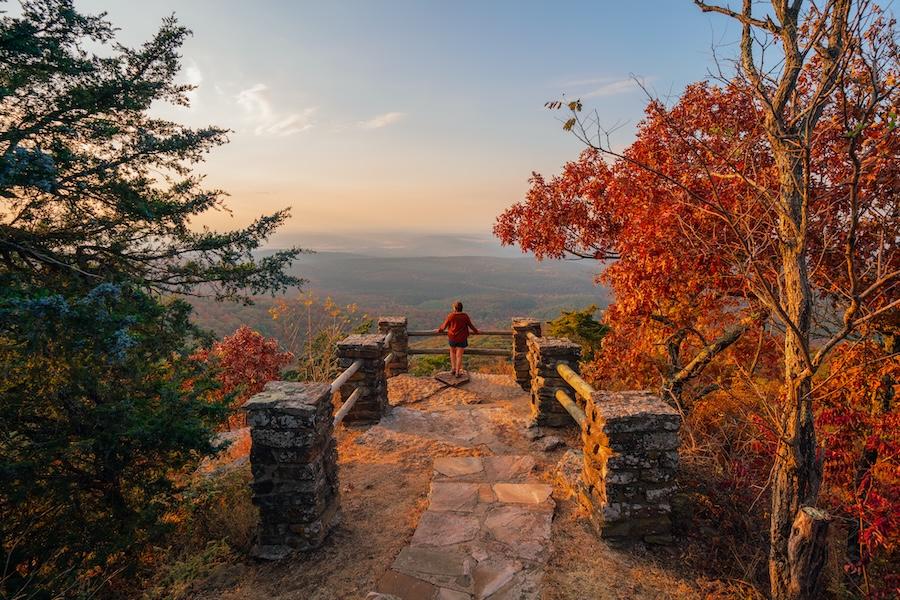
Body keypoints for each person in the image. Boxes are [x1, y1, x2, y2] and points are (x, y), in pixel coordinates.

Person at [436, 300, 479, 377]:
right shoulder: (465, 316)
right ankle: (457, 372)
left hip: (452, 337)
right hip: (462, 338)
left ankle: (453, 369)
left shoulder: (451, 316)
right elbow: (471, 326)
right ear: (461, 308)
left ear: (455, 308)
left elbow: (443, 326)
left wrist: (439, 330)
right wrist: (477, 331)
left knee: (452, 352)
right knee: (459, 356)